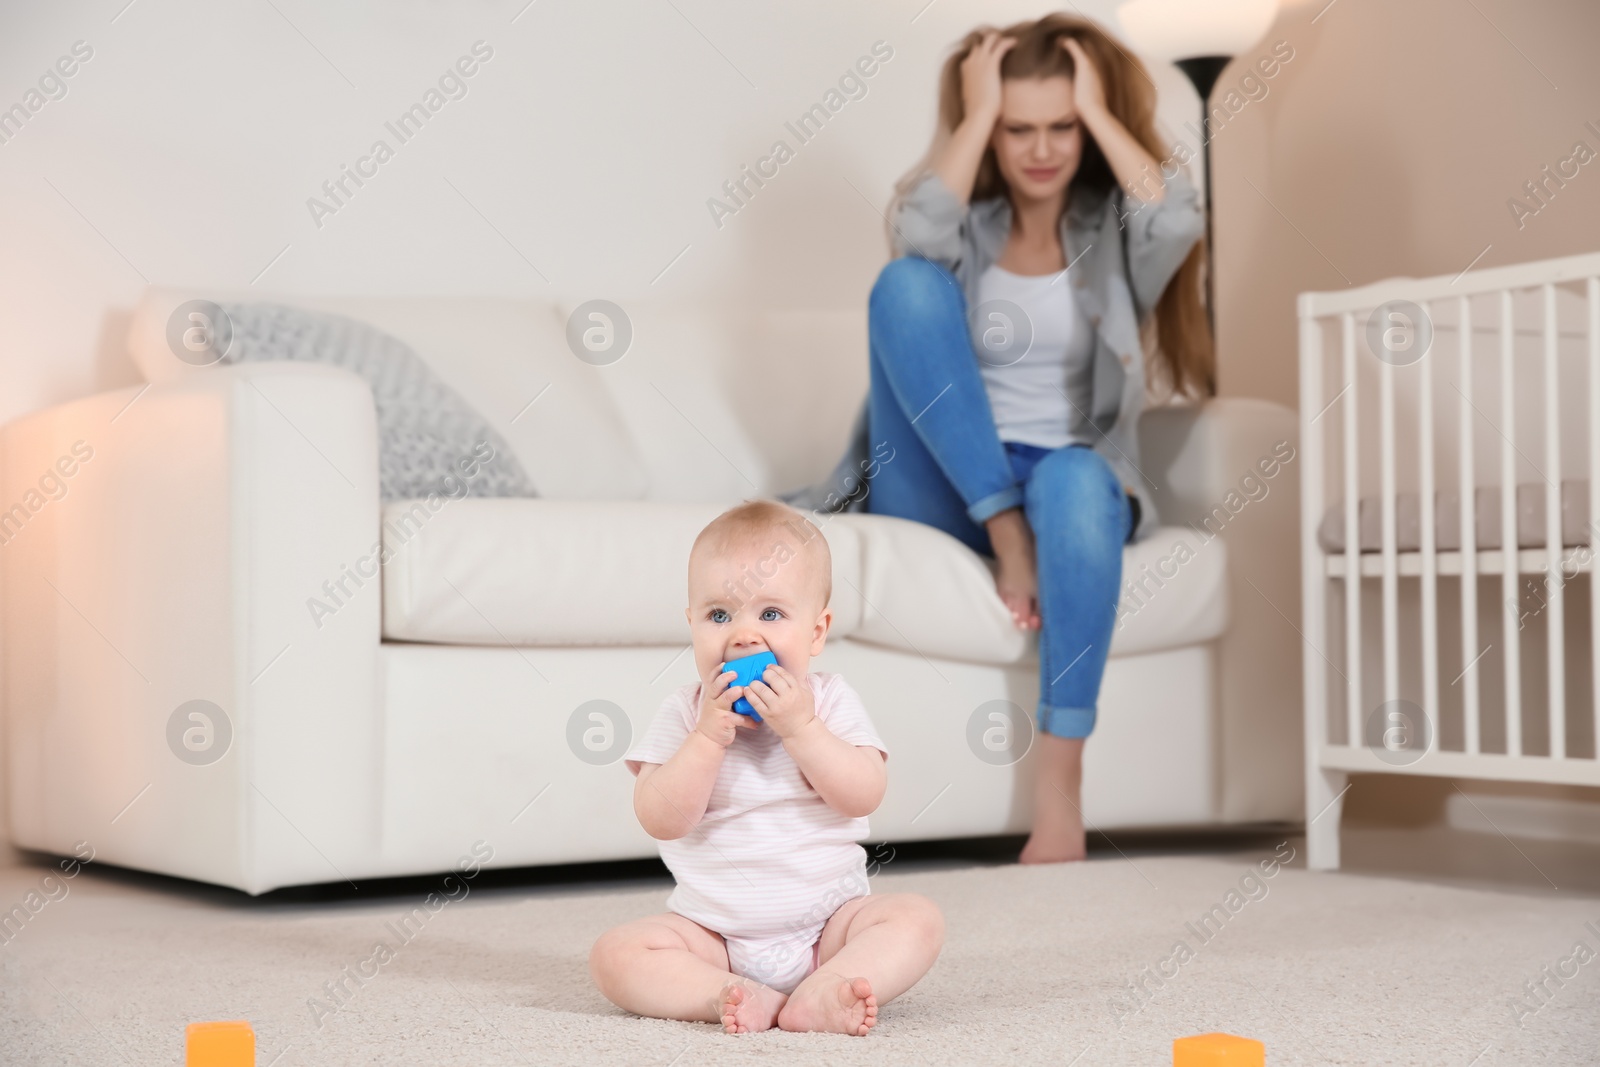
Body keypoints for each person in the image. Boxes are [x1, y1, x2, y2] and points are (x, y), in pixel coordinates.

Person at [783, 14, 1210, 863]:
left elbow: (1180, 221)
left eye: (1063, 126)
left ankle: (1060, 793)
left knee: (1082, 485)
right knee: (905, 285)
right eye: (1020, 127)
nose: (1041, 148)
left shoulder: (1112, 234)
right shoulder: (966, 228)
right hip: (945, 483)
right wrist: (972, 116)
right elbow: (915, 234)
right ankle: (1005, 527)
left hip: (1067, 473)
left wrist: (1103, 108)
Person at [589, 500, 945, 1035]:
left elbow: (863, 794)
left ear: (817, 632)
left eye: (771, 614)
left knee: (917, 919)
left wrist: (801, 729)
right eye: (718, 615)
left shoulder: (829, 704)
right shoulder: (685, 713)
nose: (744, 636)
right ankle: (724, 994)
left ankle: (827, 988)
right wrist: (708, 737)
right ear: (692, 626)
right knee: (615, 955)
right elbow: (661, 819)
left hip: (829, 929)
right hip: (714, 937)